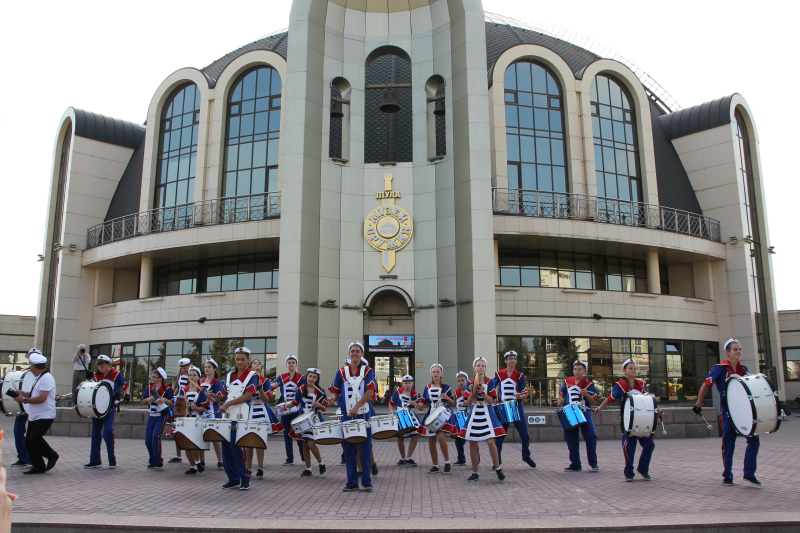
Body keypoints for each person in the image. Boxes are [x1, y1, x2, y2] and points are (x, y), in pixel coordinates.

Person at [693, 338, 763, 486]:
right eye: (735, 349)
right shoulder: (720, 368)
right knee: (729, 442)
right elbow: (706, 385)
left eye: (740, 349)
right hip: (728, 410)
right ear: (728, 352)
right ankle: (728, 475)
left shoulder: (744, 369)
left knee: (754, 440)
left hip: (744, 411)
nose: (738, 352)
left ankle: (749, 473)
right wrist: (698, 405)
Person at [593, 358, 659, 482]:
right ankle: (629, 472)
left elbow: (650, 400)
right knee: (629, 447)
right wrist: (600, 409)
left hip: (643, 421)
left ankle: (643, 469)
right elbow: (610, 398)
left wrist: (658, 410)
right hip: (628, 422)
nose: (634, 370)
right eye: (631, 368)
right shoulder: (620, 385)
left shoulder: (642, 384)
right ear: (624, 371)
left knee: (650, 445)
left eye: (635, 368)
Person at [329, 342, 377, 492]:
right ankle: (351, 482)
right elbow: (335, 392)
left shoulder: (368, 371)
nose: (355, 353)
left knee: (365, 446)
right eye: (352, 351)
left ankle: (367, 481)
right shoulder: (341, 372)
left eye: (357, 351)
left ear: (362, 354)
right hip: (346, 414)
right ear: (349, 354)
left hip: (363, 413)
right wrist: (332, 398)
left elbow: (370, 391)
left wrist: (357, 406)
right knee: (348, 446)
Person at [216, 347, 260, 490]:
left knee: (237, 447)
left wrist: (227, 403)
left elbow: (248, 395)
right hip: (228, 416)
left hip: (242, 415)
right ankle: (233, 478)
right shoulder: (230, 375)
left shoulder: (252, 375)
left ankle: (244, 477)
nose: (239, 361)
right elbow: (226, 395)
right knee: (226, 448)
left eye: (242, 359)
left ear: (248, 360)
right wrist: (216, 398)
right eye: (237, 359)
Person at [459, 357, 505, 482]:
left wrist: (483, 393)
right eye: (478, 365)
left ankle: (497, 468)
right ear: (474, 368)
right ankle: (475, 472)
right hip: (474, 413)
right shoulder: (469, 382)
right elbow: (468, 403)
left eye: (483, 365)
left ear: (485, 368)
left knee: (491, 442)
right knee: (473, 443)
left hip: (487, 413)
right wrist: (474, 391)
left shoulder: (490, 382)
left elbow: (491, 401)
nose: (480, 367)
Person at [14, 350, 58, 475]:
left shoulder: (47, 378)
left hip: (45, 415)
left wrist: (24, 400)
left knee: (35, 438)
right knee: (29, 441)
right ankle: (38, 466)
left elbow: (42, 398)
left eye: (31, 366)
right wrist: (24, 393)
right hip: (36, 415)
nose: (30, 369)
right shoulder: (39, 377)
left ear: (34, 366)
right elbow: (36, 394)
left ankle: (52, 455)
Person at [493, 350, 536, 468]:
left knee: (525, 434)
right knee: (500, 435)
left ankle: (526, 456)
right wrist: (494, 397)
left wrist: (520, 396)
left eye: (514, 358)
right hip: (503, 407)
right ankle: (498, 461)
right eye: (510, 358)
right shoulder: (499, 374)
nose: (512, 360)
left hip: (517, 406)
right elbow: (492, 387)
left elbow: (525, 393)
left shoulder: (520, 375)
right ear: (505, 360)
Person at [84, 354, 126, 469]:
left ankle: (112, 459)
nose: (100, 369)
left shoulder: (116, 374)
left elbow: (125, 385)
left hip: (110, 405)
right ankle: (95, 460)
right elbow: (91, 387)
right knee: (96, 433)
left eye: (102, 366)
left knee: (107, 431)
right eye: (99, 366)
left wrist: (127, 395)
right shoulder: (96, 376)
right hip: (97, 406)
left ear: (108, 364)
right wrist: (88, 379)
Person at [557, 359, 599, 472]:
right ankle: (575, 463)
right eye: (575, 369)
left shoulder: (588, 385)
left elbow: (594, 402)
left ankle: (593, 462)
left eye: (580, 369)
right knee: (571, 438)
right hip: (570, 412)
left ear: (584, 371)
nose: (577, 371)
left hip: (584, 412)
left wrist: (586, 395)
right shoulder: (567, 382)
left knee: (591, 435)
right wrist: (561, 400)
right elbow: (561, 393)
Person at [245, 359, 282, 478]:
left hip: (261, 411)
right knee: (249, 442)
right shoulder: (247, 380)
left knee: (259, 441)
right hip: (249, 411)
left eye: (259, 363)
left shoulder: (266, 381)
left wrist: (260, 388)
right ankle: (248, 468)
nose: (257, 365)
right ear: (250, 367)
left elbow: (266, 399)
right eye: (255, 363)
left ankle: (260, 467)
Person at [417, 363, 457, 475]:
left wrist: (446, 397)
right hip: (431, 414)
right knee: (431, 440)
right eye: (434, 372)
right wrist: (419, 406)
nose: (435, 374)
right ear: (431, 373)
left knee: (440, 436)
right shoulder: (427, 387)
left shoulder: (446, 386)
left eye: (437, 372)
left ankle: (447, 462)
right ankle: (435, 465)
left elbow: (453, 402)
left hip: (443, 413)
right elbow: (424, 402)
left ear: (441, 374)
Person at [288, 368, 328, 477]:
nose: (311, 379)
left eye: (314, 377)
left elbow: (325, 408)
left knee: (310, 443)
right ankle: (308, 468)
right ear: (307, 377)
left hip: (314, 419)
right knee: (304, 444)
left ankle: (321, 463)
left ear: (317, 379)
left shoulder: (320, 390)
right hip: (303, 420)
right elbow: (294, 402)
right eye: (310, 376)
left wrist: (319, 405)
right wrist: (285, 406)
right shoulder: (301, 389)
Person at [271, 355, 305, 466]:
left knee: (298, 432)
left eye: (293, 362)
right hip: (285, 408)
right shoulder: (282, 377)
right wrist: (272, 385)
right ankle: (289, 458)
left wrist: (300, 389)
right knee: (287, 434)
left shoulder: (301, 377)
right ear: (286, 365)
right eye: (289, 362)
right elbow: (273, 385)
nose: (291, 364)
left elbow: (308, 388)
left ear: (296, 365)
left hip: (297, 408)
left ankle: (303, 456)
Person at [177, 366, 209, 474]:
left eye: (194, 375)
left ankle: (198, 461)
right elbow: (179, 406)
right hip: (186, 419)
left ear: (198, 377)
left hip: (197, 419)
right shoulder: (183, 390)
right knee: (186, 444)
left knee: (194, 443)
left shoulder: (201, 390)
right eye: (189, 375)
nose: (191, 377)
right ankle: (193, 466)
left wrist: (195, 408)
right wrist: (184, 407)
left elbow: (204, 408)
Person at [141, 367, 173, 468]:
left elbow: (172, 403)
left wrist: (164, 399)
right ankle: (152, 460)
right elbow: (142, 401)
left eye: (154, 377)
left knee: (155, 436)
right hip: (151, 415)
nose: (152, 378)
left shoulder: (167, 389)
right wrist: (148, 400)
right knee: (148, 440)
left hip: (161, 415)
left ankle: (158, 460)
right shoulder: (149, 388)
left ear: (160, 378)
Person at [388, 374, 420, 467]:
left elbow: (421, 407)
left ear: (412, 384)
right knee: (400, 436)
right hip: (400, 415)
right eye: (405, 383)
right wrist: (391, 411)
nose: (407, 385)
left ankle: (408, 457)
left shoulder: (415, 394)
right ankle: (402, 458)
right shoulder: (397, 392)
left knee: (416, 435)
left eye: (409, 383)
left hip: (412, 415)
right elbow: (391, 403)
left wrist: (415, 404)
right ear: (402, 384)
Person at [200, 359, 224, 469]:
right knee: (201, 436)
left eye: (209, 367)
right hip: (203, 411)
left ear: (214, 369)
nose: (206, 369)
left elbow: (219, 398)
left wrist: (212, 396)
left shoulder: (217, 382)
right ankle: (202, 460)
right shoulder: (200, 381)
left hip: (213, 411)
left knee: (215, 437)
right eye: (205, 367)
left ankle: (220, 460)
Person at [167, 358, 191, 464]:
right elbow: (178, 387)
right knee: (177, 427)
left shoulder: (192, 374)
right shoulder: (180, 374)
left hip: (187, 402)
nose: (183, 369)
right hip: (179, 401)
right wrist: (174, 394)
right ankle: (178, 455)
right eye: (182, 368)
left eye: (185, 367)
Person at [452, 371, 469, 466]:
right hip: (459, 416)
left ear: (467, 381)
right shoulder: (456, 392)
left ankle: (477, 459)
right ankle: (461, 458)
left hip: (468, 415)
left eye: (463, 380)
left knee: (472, 438)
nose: (461, 382)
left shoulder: (470, 391)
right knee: (458, 438)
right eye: (459, 381)